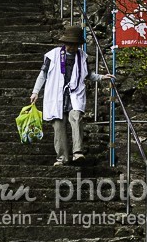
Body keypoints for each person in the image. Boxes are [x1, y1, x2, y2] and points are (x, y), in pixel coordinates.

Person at [28, 24, 111, 166]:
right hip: (56, 95)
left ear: (78, 45)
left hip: (74, 95)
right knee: (59, 127)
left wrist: (102, 77)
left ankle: (77, 152)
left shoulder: (82, 57)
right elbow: (43, 74)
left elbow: (88, 74)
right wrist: (35, 92)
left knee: (76, 117)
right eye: (68, 44)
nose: (71, 47)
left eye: (74, 45)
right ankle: (62, 158)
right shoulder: (52, 55)